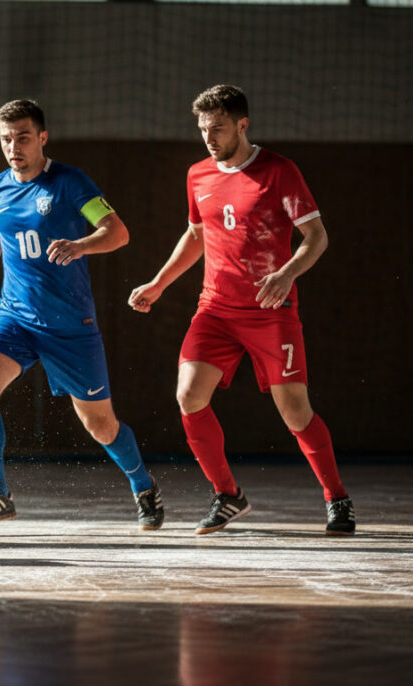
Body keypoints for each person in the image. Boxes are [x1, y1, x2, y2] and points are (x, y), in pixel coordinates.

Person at [128, 84, 354, 536]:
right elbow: (196, 236)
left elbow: (317, 238)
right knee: (189, 396)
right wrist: (159, 282)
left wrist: (287, 273)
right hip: (215, 309)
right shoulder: (198, 175)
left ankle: (337, 498)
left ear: (242, 125)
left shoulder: (279, 171)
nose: (209, 137)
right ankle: (228, 495)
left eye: (218, 128)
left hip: (271, 311)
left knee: (295, 413)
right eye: (203, 129)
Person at [0, 99, 163, 530]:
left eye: (23, 137)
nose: (14, 146)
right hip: (15, 316)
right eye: (6, 138)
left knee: (100, 426)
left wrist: (81, 245)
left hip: (70, 326)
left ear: (42, 138)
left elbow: (117, 232)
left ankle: (143, 485)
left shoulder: (69, 184)